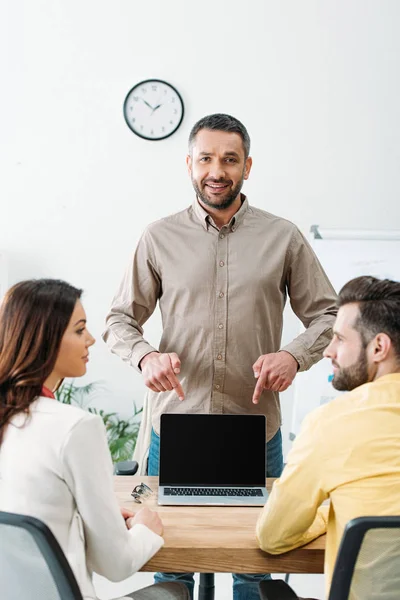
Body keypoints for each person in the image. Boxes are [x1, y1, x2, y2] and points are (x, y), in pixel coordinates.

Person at [103, 113, 337, 600]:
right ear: (189, 164)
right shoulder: (158, 237)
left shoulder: (284, 237)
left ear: (247, 166)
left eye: (229, 159)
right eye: (206, 158)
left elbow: (330, 316)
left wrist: (294, 356)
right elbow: (119, 320)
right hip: (177, 430)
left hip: (256, 429)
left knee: (255, 566)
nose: (217, 170)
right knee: (171, 566)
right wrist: (146, 357)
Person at [0, 279, 189, 600]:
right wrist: (146, 527)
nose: (90, 340)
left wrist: (94, 513)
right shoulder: (75, 427)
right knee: (175, 590)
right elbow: (116, 565)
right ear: (44, 338)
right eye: (79, 330)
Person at [256, 276, 400, 598]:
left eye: (338, 339)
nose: (327, 352)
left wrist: (328, 513)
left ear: (378, 347)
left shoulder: (332, 423)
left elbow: (273, 535)